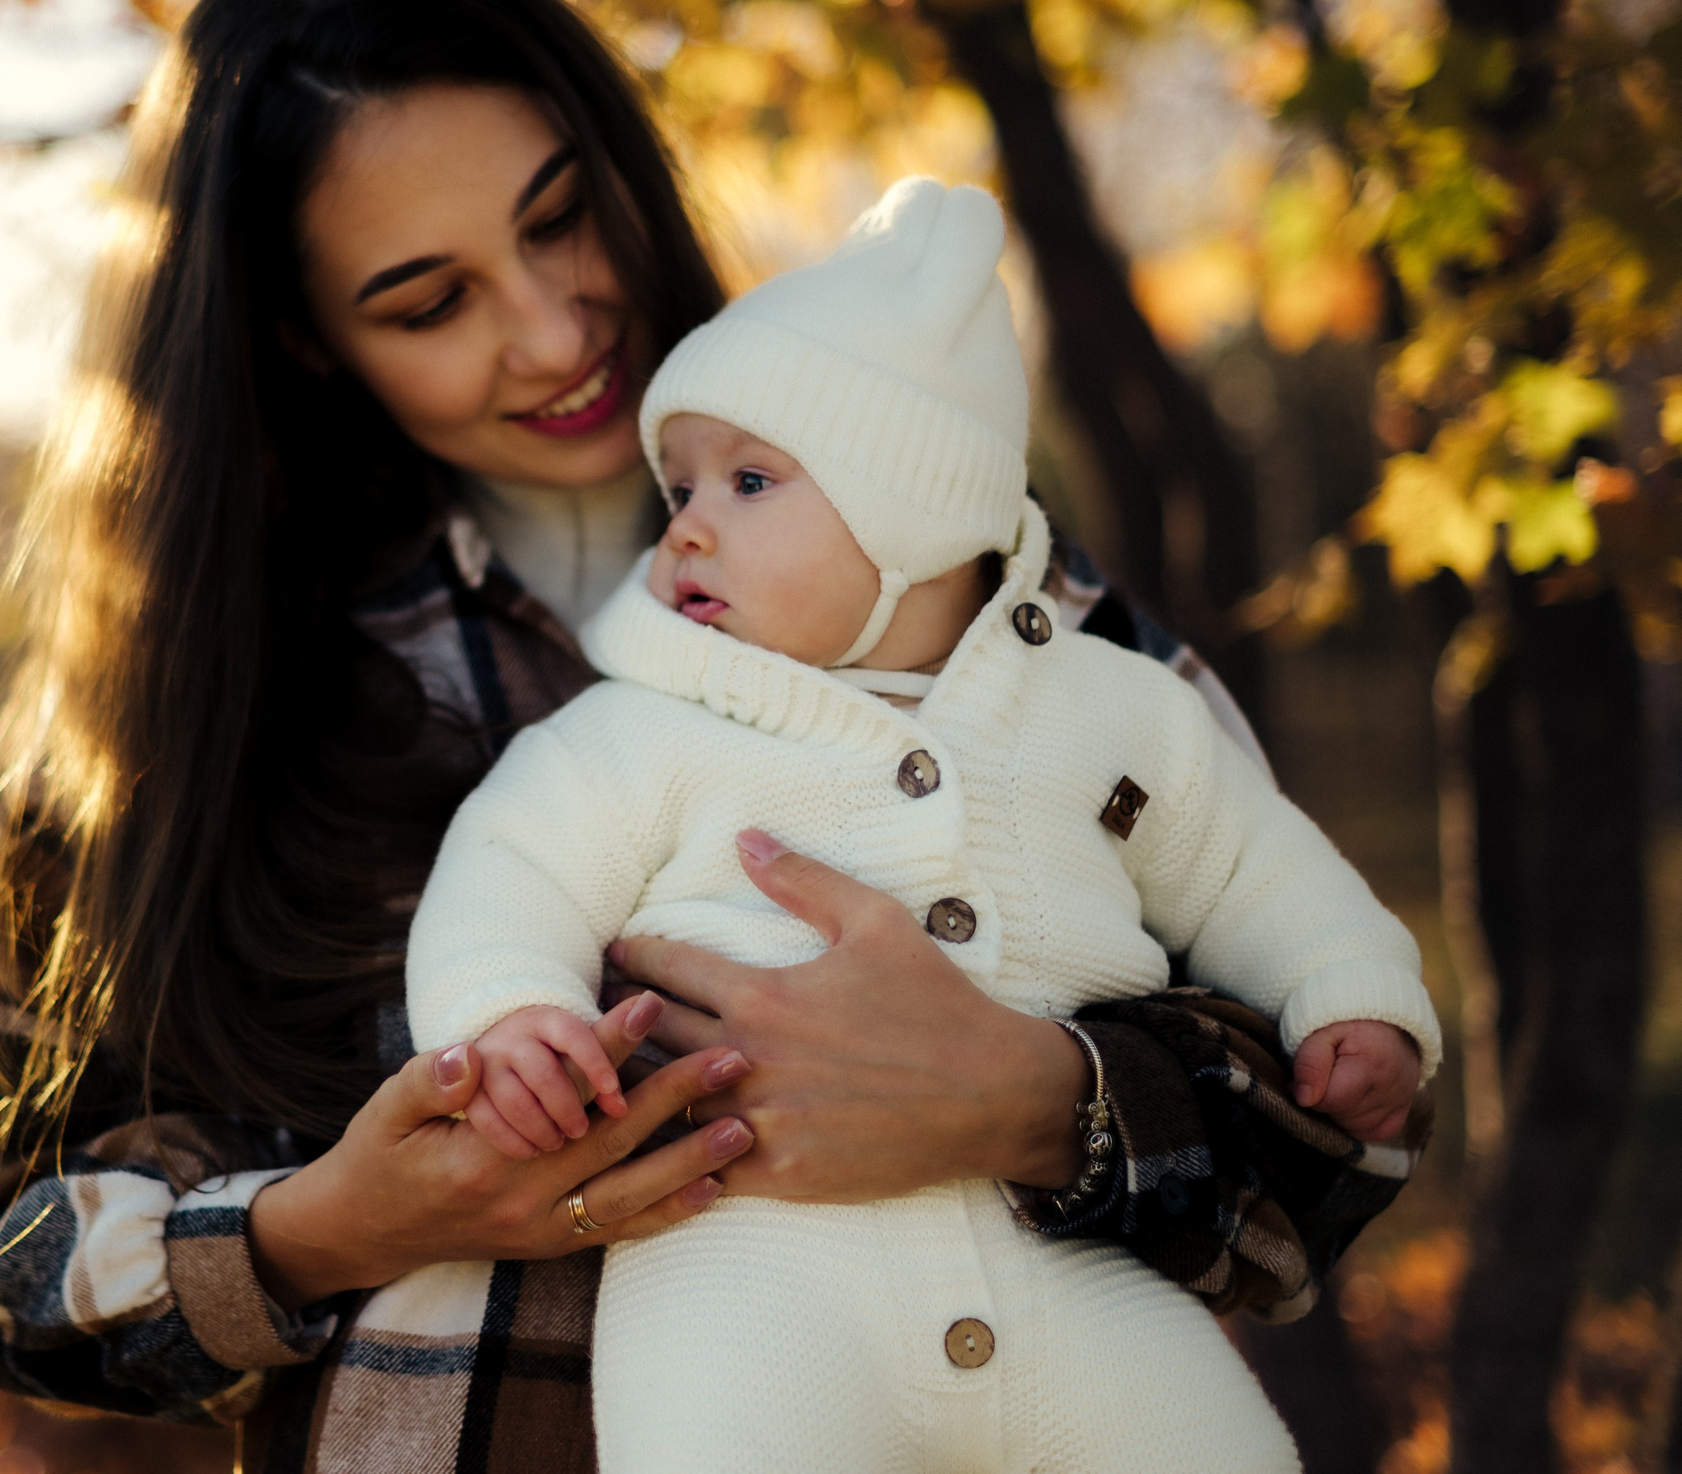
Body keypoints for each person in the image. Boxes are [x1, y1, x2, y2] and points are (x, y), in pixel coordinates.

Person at [0, 0, 1426, 1474]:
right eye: (430, 301)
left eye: (561, 216)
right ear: (303, 338)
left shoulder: (1003, 623)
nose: (555, 329)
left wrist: (1039, 1100)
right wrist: (325, 1226)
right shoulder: (193, 723)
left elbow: (1348, 1120)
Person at [405, 176, 1440, 1474]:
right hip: (751, 1274)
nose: (691, 529)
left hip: (1070, 1262)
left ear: (919, 508)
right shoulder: (639, 729)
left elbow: (1253, 867)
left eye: (749, 479)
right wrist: (509, 1016)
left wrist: (1349, 992)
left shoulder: (1115, 708)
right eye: (680, 492)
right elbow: (507, 871)